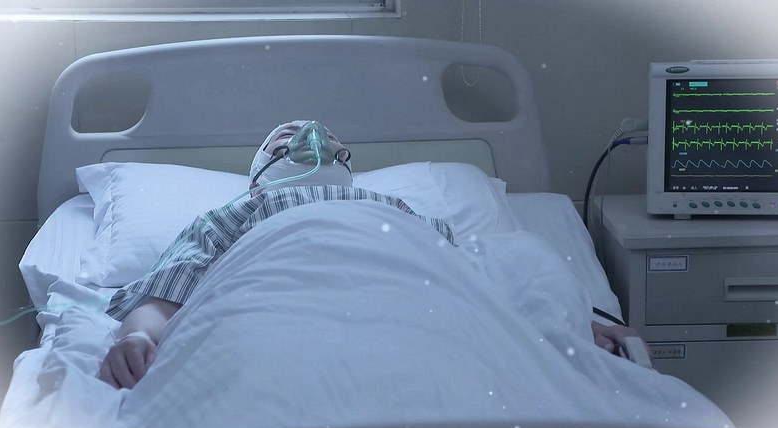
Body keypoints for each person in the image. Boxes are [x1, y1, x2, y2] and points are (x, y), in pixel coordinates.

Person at [98, 120, 643, 389]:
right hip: (276, 299)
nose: (311, 135)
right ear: (260, 171)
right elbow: (168, 291)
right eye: (286, 138)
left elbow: (469, 274)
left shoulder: (391, 206)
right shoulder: (239, 210)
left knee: (523, 254)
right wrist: (138, 338)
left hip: (404, 301)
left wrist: (571, 317)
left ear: (346, 165)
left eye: (329, 140)